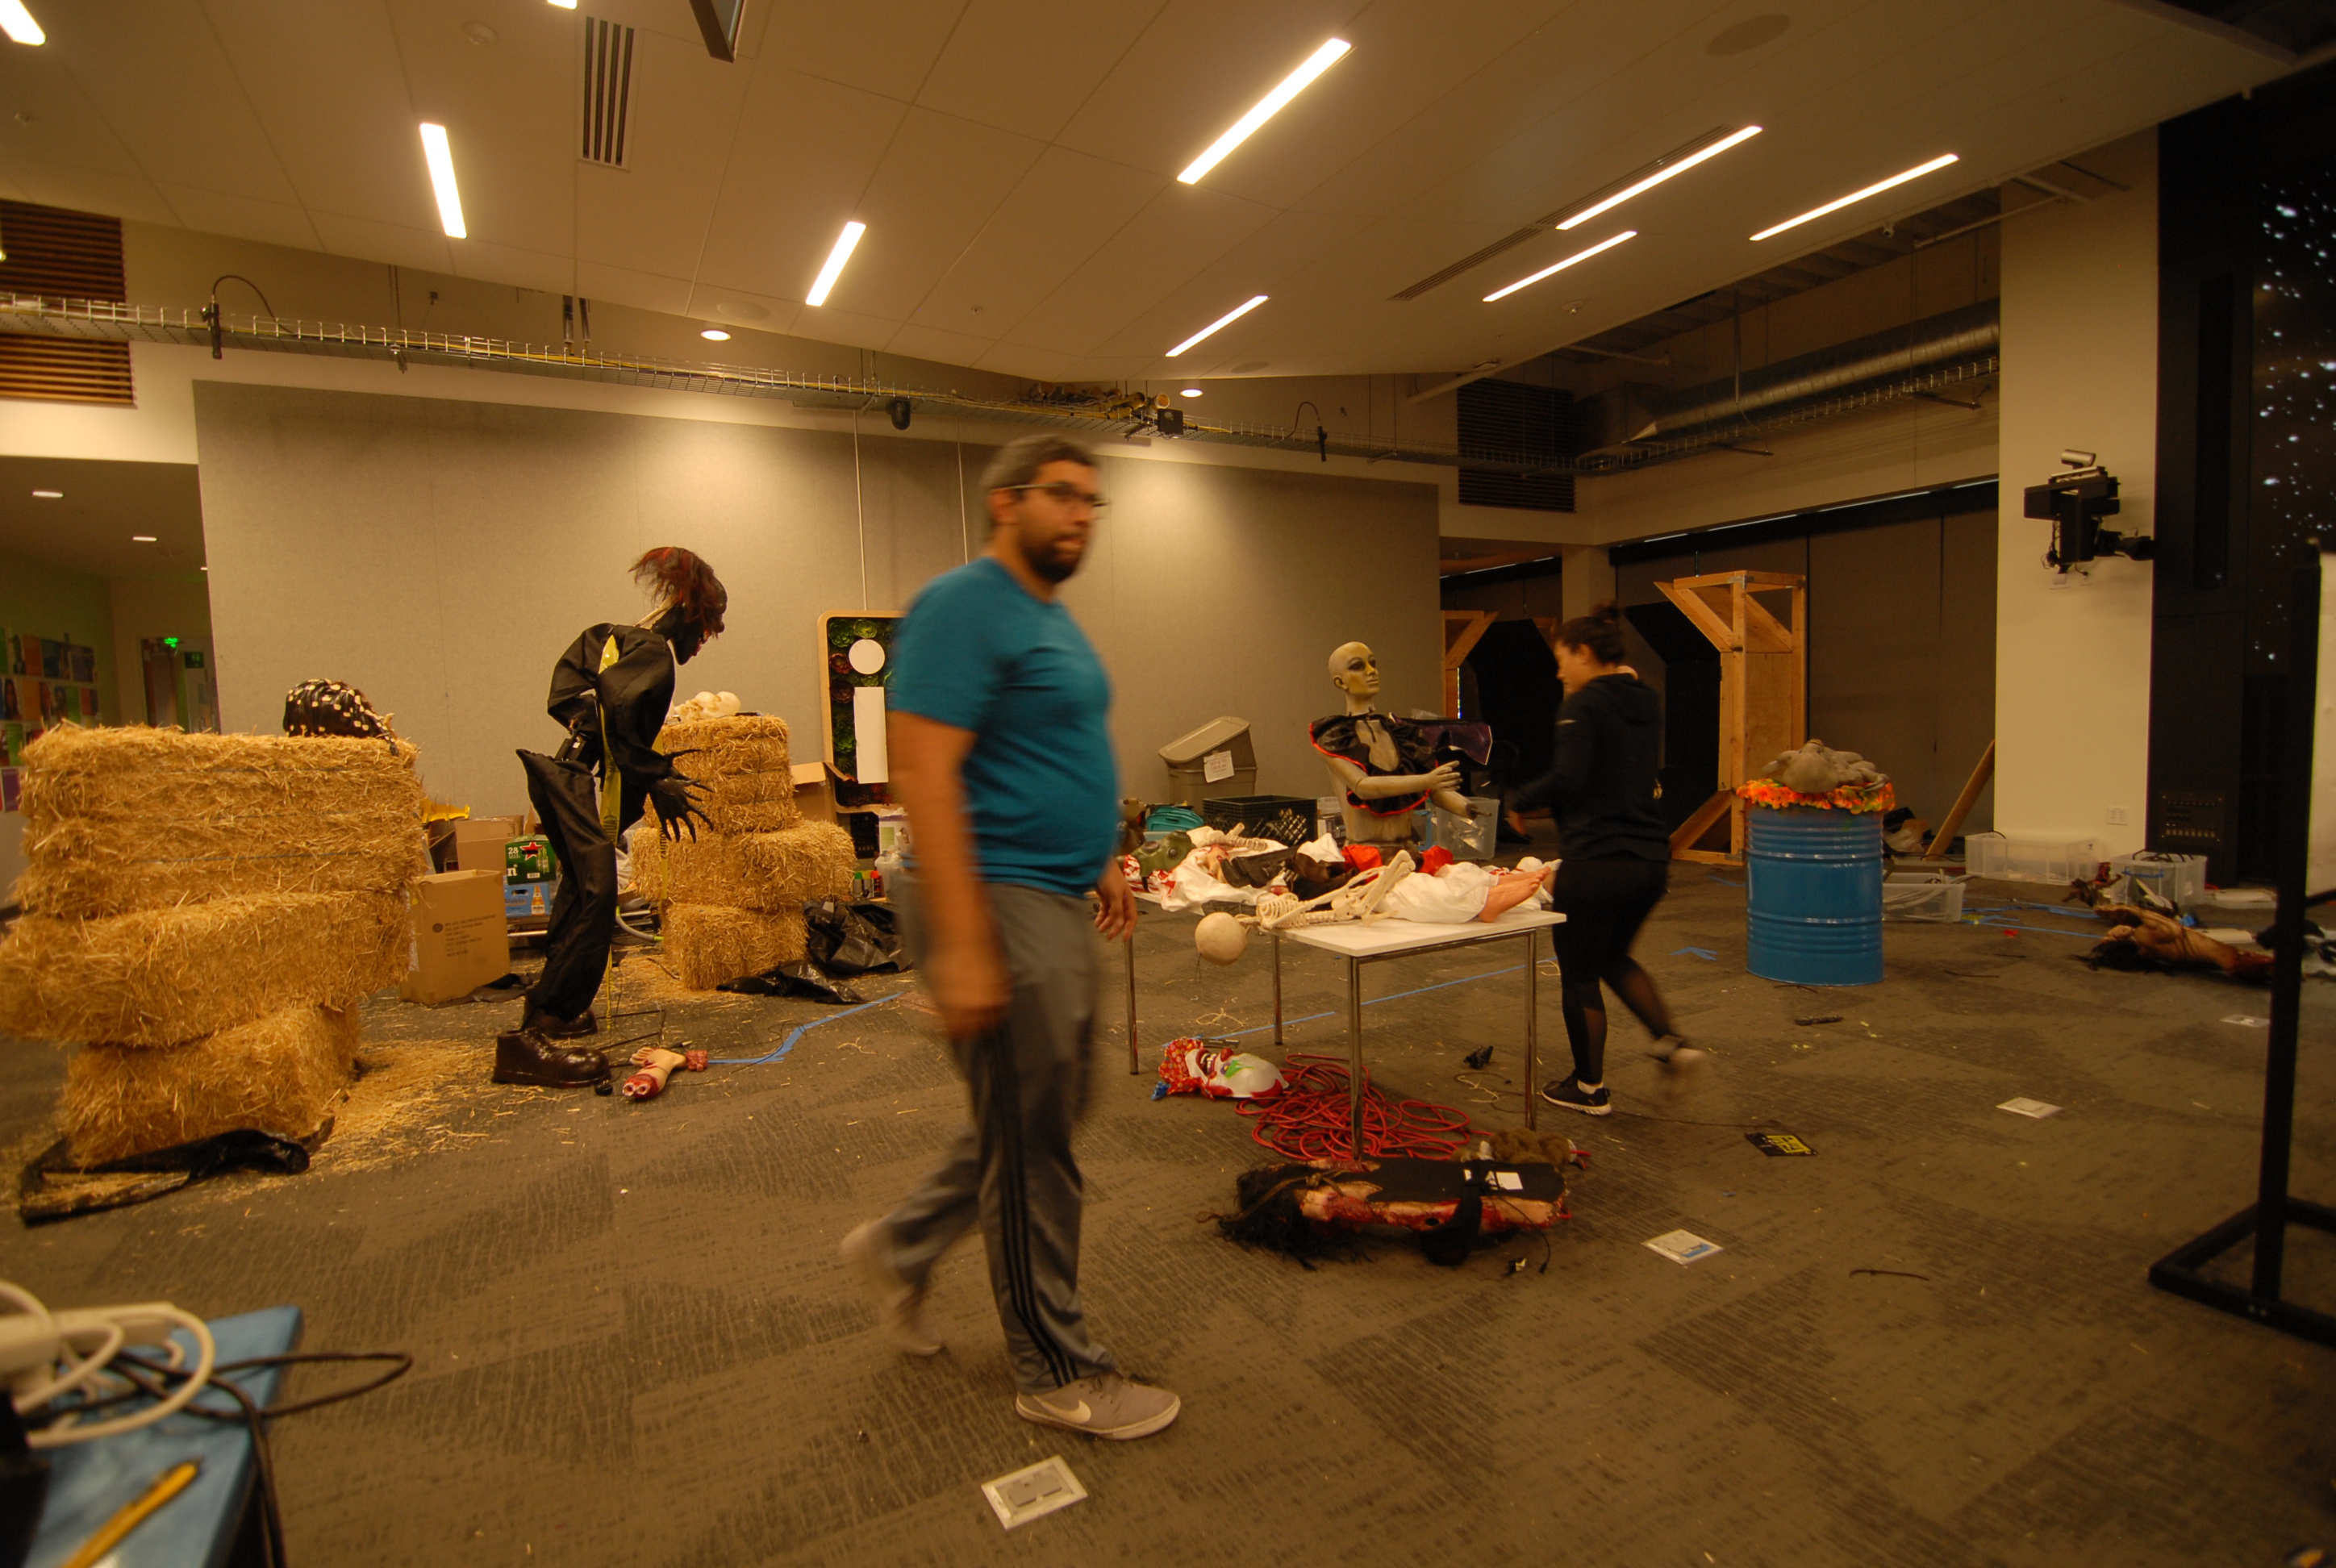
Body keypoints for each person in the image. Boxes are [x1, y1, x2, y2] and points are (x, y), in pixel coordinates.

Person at [841, 433, 1178, 1442]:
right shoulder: (962, 604)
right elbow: (923, 770)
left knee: (1051, 1109)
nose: (1080, 515)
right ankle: (1055, 1369)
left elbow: (1052, 746)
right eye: (1061, 495)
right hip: (991, 896)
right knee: (1032, 1142)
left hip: (1048, 889)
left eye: (1091, 502)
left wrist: (1098, 852)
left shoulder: (1047, 616)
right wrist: (961, 945)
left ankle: (903, 1246)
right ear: (1006, 502)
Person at [497, 548, 720, 1088]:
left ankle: (554, 1012)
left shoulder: (622, 639)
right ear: (688, 611)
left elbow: (575, 696)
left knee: (581, 889)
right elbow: (618, 711)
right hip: (571, 779)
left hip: (565, 774)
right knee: (596, 895)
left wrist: (634, 763)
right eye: (705, 630)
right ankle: (526, 1043)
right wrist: (656, 776)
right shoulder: (653, 652)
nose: (702, 643)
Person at [1506, 602, 1703, 1114]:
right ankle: (1671, 1044)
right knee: (1613, 956)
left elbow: (1569, 778)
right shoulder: (1645, 700)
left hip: (1597, 861)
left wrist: (1518, 800)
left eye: (1562, 660)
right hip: (1650, 860)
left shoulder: (1585, 705)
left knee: (1578, 972)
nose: (1559, 673)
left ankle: (1588, 1087)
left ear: (1584, 653)